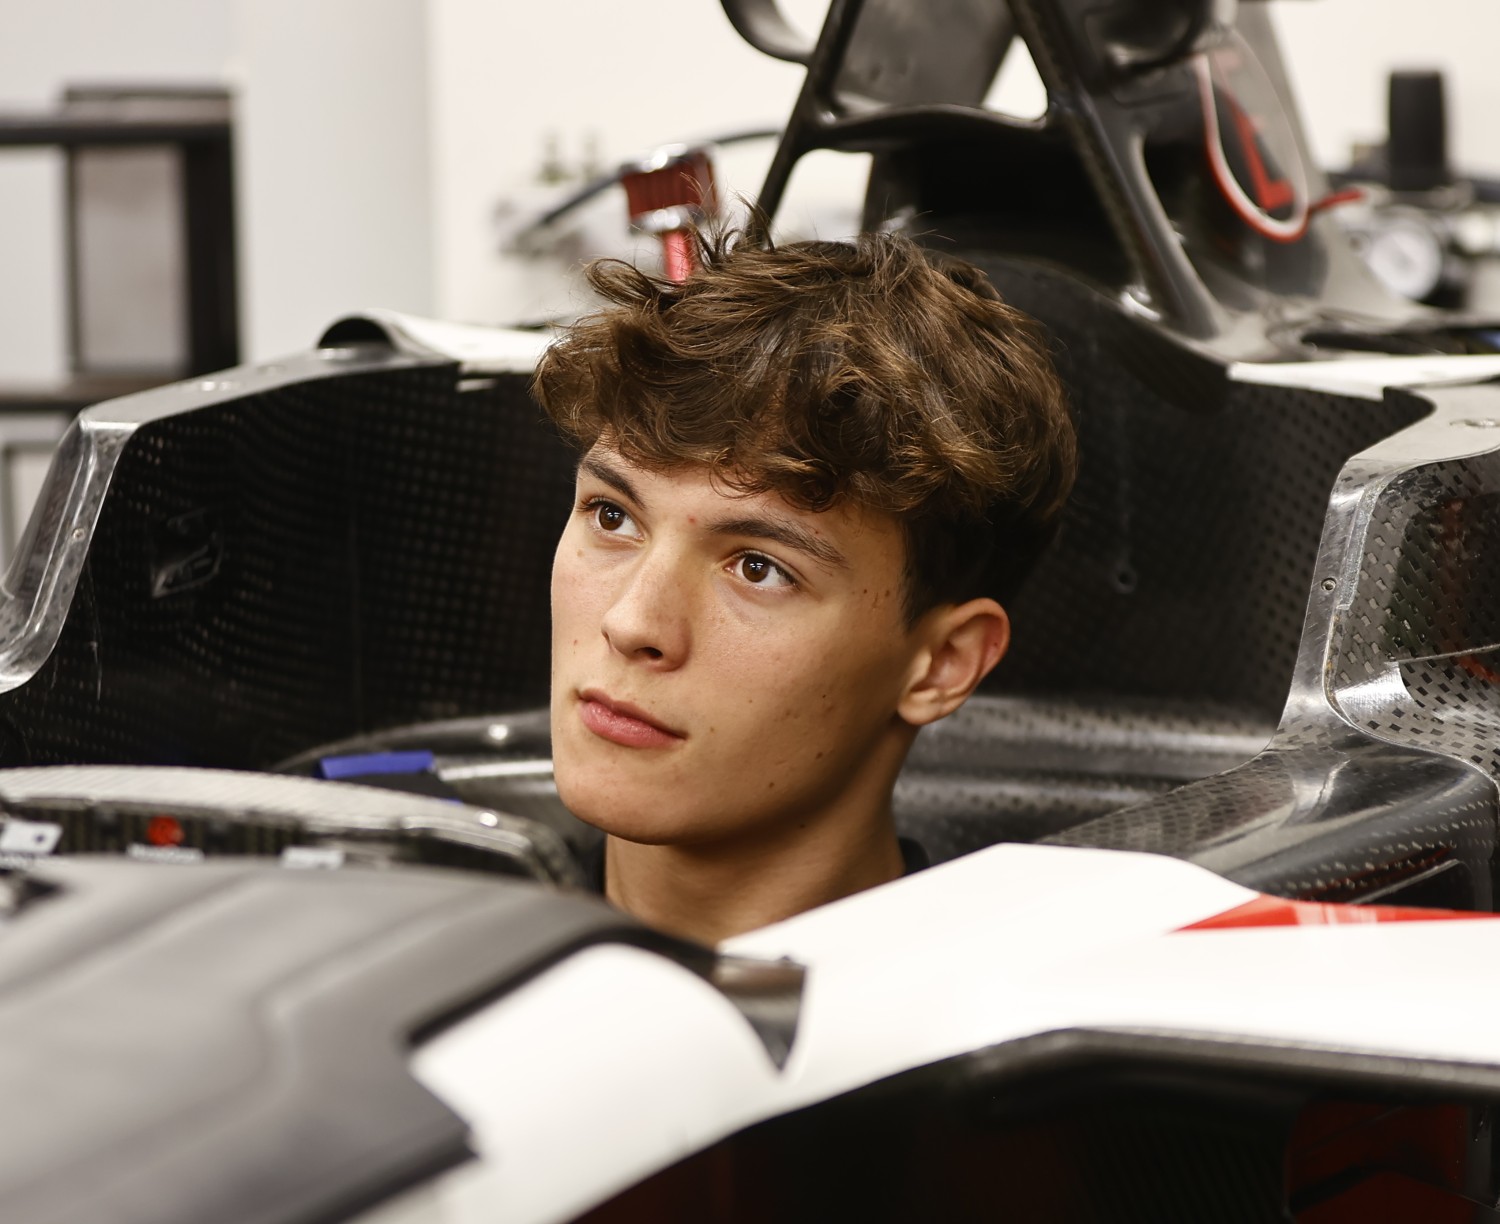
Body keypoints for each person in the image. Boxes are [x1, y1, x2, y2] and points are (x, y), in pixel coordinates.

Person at [533, 220, 1076, 945]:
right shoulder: (432, 966)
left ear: (943, 665)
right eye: (612, 515)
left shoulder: (1010, 1045)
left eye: (758, 568)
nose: (632, 624)